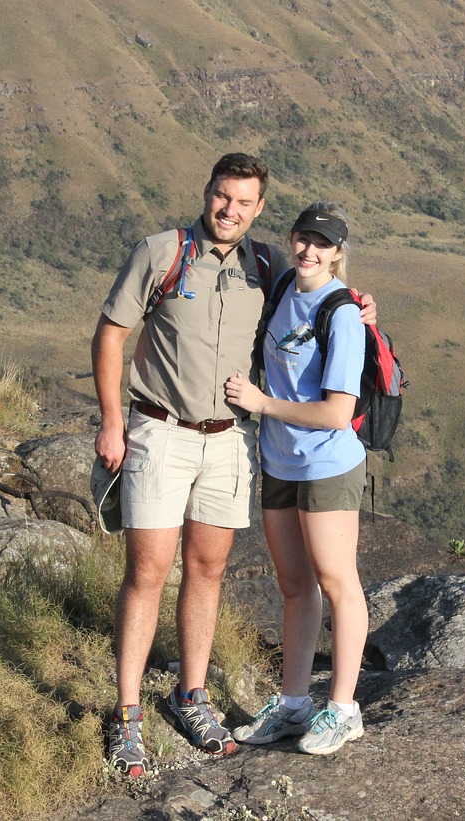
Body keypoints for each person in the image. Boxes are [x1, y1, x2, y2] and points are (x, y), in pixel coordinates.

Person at [92, 155, 374, 776]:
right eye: (224, 197)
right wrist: (113, 421)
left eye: (244, 203)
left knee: (208, 568)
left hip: (229, 441)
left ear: (258, 209)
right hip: (160, 430)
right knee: (148, 571)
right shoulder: (163, 252)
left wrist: (359, 307)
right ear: (208, 192)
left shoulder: (267, 263)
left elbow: (328, 296)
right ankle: (128, 714)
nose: (230, 211)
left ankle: (192, 695)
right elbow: (111, 332)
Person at [223, 202, 369, 756]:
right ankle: (292, 705)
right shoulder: (285, 284)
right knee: (294, 586)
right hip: (280, 460)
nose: (309, 250)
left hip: (326, 464)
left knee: (337, 582)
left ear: (337, 254)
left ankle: (343, 709)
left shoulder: (344, 315)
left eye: (322, 244)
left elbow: (337, 412)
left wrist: (262, 404)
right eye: (303, 238)